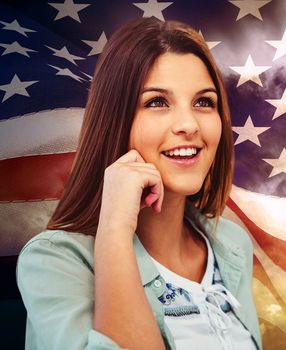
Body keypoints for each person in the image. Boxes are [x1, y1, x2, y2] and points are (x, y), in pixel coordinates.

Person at [16, 17, 261, 350]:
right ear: (116, 121)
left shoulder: (232, 244)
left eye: (204, 102)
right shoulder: (53, 263)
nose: (189, 124)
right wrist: (114, 229)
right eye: (157, 102)